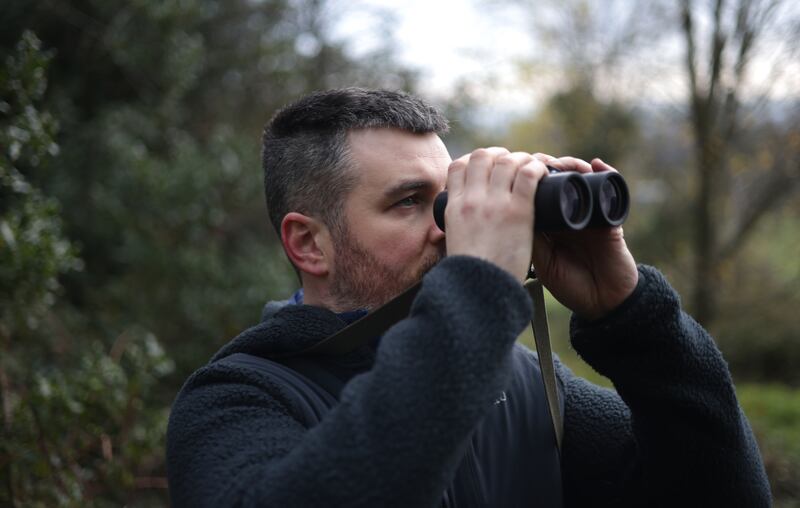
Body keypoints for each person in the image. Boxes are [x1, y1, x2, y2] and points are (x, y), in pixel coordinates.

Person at [166, 88, 771, 507]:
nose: (449, 224)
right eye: (409, 202)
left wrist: (635, 317)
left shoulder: (524, 385)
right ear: (310, 244)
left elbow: (720, 493)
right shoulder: (236, 402)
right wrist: (479, 289)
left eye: (450, 194)